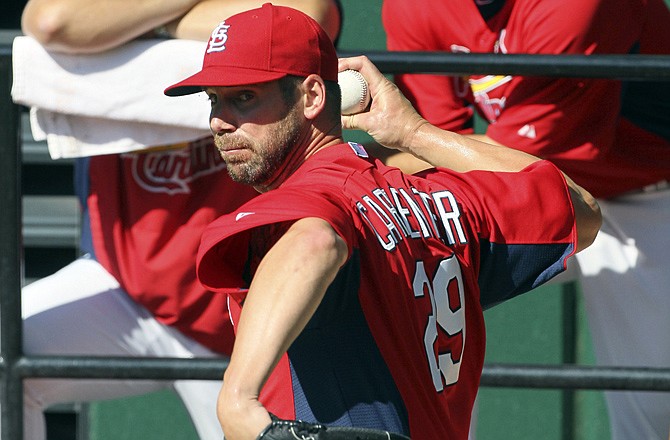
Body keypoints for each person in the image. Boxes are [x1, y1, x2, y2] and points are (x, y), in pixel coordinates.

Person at [163, 4, 601, 439]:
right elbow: (580, 211)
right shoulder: (441, 197)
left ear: (313, 97)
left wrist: (236, 401)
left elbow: (315, 242)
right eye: (213, 100)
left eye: (244, 98)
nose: (219, 121)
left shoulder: (309, 201)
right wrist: (414, 132)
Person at [17, 1, 341, 439]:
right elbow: (52, 21)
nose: (220, 116)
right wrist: (188, 24)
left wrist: (135, 25)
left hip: (247, 309)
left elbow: (310, 14)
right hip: (128, 289)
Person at [380, 0, 670, 438]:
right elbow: (443, 149)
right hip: (539, 190)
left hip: (650, 194)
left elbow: (517, 161)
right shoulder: (417, 6)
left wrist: (385, 151)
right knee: (413, 278)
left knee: (655, 414)